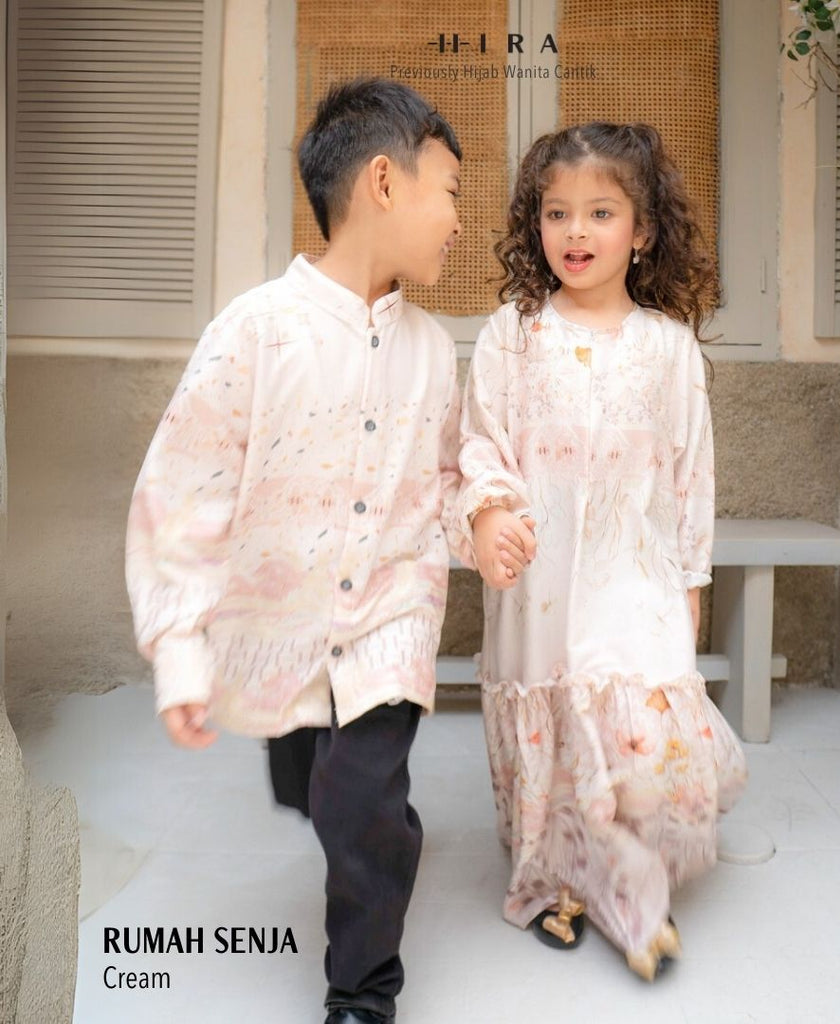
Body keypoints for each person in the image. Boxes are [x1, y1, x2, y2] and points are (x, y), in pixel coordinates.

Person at [125, 78, 516, 1024]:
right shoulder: (255, 332)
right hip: (284, 623)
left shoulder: (433, 350)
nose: (461, 220)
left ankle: (363, 991)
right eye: (450, 192)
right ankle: (354, 818)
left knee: (363, 803)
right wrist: (180, 646)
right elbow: (184, 493)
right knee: (311, 786)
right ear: (383, 182)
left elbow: (444, 475)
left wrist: (482, 518)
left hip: (389, 617)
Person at [459, 121, 748, 981]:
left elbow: (691, 476)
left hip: (635, 578)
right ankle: (557, 878)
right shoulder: (512, 335)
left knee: (636, 746)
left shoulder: (668, 348)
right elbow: (479, 444)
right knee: (554, 735)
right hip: (539, 587)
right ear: (534, 225)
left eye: (600, 212)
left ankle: (631, 890)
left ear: (643, 230)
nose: (575, 232)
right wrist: (492, 512)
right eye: (556, 213)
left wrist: (690, 581)